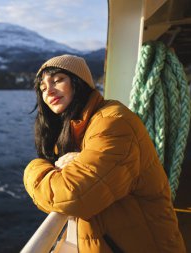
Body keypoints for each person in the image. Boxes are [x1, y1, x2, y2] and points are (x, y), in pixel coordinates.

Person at [23, 54, 186, 252]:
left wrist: (34, 168)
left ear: (79, 82)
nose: (48, 90)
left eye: (58, 80)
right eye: (42, 87)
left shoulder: (113, 123)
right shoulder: (78, 127)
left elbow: (73, 195)